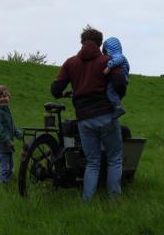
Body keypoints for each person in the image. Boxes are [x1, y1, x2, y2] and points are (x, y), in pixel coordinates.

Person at [51, 26, 128, 201]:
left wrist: (66, 93)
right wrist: (118, 97)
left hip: (84, 119)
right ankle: (114, 199)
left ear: (82, 42)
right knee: (114, 158)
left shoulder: (70, 63)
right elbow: (119, 82)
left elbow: (55, 89)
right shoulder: (107, 61)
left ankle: (87, 200)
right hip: (107, 116)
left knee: (92, 162)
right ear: (100, 44)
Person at [0, 85, 22, 186]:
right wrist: (8, 141)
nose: (3, 99)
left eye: (5, 96)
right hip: (1, 146)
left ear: (9, 97)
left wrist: (20, 135)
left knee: (10, 168)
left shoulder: (6, 110)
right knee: (5, 168)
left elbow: (12, 127)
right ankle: (1, 186)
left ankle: (5, 183)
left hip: (8, 146)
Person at [102, 36, 130, 119]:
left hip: (119, 79)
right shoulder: (120, 56)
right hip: (122, 79)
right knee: (114, 94)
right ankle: (116, 107)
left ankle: (118, 108)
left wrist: (108, 67)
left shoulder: (118, 56)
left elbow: (117, 60)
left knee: (110, 92)